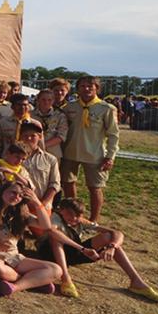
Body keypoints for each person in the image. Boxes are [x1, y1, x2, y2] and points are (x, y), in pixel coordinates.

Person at [38, 198, 158, 302]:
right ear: (62, 210)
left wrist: (112, 246)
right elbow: (52, 232)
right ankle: (66, 279)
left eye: (78, 216)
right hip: (51, 254)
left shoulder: (79, 221)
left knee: (109, 237)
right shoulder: (55, 217)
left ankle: (137, 282)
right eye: (71, 215)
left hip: (73, 253)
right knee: (56, 238)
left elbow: (116, 233)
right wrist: (82, 248)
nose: (74, 219)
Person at [0, 181, 62, 297]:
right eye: (13, 192)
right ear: (2, 191)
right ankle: (34, 281)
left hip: (13, 257)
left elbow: (46, 226)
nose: (16, 197)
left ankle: (16, 286)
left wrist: (36, 202)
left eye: (21, 195)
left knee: (55, 269)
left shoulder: (20, 214)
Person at [61, 76, 120, 222]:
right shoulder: (70, 107)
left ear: (97, 89)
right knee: (68, 184)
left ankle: (93, 221)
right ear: (78, 88)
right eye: (82, 86)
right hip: (70, 152)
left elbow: (113, 135)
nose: (86, 89)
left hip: (95, 155)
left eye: (90, 86)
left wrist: (110, 156)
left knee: (95, 188)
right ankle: (72, 216)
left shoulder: (106, 109)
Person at [18, 121, 61, 210]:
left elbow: (54, 184)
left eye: (33, 136)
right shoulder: (13, 158)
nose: (29, 138)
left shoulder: (50, 159)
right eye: (25, 135)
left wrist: (41, 204)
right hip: (19, 206)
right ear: (20, 137)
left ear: (40, 137)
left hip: (43, 207)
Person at [0, 93, 36, 157]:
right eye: (19, 105)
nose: (22, 107)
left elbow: (40, 146)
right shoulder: (4, 122)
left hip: (27, 161)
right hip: (7, 160)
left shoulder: (35, 124)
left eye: (25, 105)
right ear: (12, 106)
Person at [32, 89, 69, 161]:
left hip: (53, 152)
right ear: (38, 100)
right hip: (33, 152)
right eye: (43, 99)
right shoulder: (30, 115)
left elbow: (61, 136)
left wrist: (42, 146)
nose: (46, 102)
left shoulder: (60, 116)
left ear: (53, 101)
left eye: (49, 100)